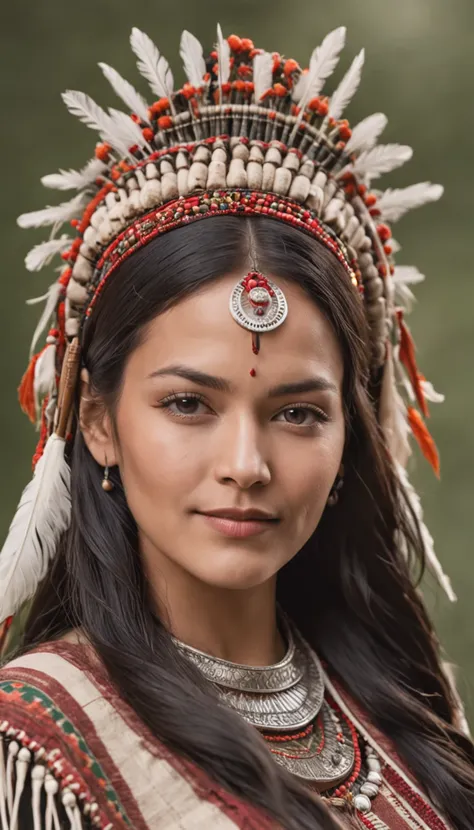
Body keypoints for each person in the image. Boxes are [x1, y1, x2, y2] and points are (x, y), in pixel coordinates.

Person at [0, 22, 472, 830]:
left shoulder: (410, 720)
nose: (247, 463)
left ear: (350, 437)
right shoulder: (45, 741)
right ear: (99, 423)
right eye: (189, 404)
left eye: (297, 413)